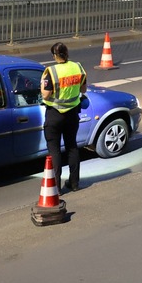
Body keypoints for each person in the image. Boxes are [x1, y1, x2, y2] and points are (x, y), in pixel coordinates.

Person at [41, 41, 87, 192]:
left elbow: (46, 94)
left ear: (54, 56)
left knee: (54, 150)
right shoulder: (78, 67)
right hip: (72, 114)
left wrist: (42, 86)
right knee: (72, 147)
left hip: (55, 114)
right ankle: (74, 183)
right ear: (67, 53)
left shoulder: (51, 71)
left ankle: (56, 188)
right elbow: (84, 89)